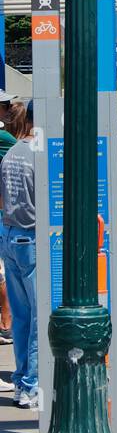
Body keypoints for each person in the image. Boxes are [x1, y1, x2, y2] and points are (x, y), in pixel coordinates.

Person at [0, 102, 38, 407]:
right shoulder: (40, 155)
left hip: (10, 235)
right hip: (33, 239)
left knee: (21, 317)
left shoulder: (11, 154)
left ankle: (21, 380)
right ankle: (31, 383)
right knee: (39, 317)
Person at [0, 95, 19, 349]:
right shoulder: (5, 139)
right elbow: (24, 157)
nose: (9, 109)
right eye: (5, 105)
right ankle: (7, 323)